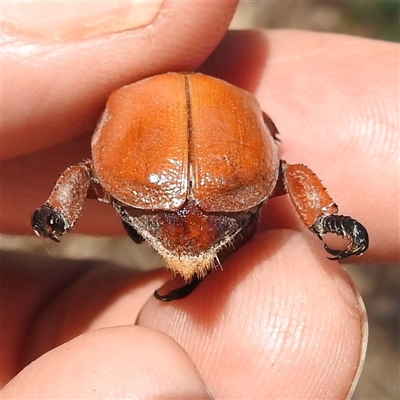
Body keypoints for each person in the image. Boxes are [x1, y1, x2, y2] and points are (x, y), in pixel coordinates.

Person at [1, 2, 398, 398]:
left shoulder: (133, 99)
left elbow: (82, 172)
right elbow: (289, 171)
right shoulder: (239, 100)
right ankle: (324, 220)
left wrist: (57, 210)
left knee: (90, 175)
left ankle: (323, 219)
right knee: (283, 176)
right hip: (216, 194)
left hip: (158, 189)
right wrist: (325, 216)